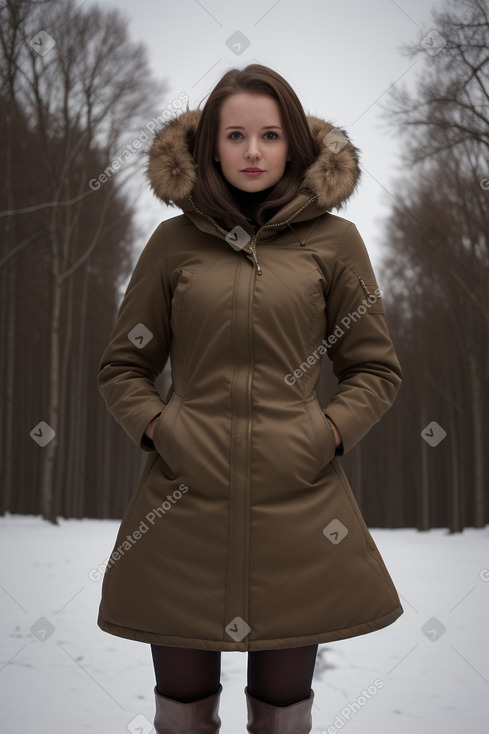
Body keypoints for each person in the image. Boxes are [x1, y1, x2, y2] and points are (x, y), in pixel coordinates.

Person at [96, 64, 403, 734]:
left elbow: (374, 370)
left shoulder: (335, 243)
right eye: (235, 135)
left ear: (293, 143)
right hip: (179, 509)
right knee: (179, 715)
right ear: (210, 146)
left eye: (269, 134)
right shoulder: (172, 244)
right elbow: (124, 365)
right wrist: (159, 428)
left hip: (300, 508)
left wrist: (321, 435)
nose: (254, 151)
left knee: (284, 716)